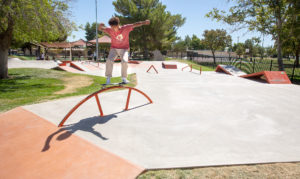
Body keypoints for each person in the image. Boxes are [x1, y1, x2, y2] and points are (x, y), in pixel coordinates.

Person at [98, 17, 150, 84]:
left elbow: (135, 24)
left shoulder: (125, 28)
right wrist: (100, 26)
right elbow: (100, 29)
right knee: (109, 61)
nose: (113, 29)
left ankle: (124, 78)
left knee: (125, 61)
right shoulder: (110, 29)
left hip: (124, 49)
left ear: (118, 25)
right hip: (114, 48)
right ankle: (108, 78)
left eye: (114, 27)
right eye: (112, 28)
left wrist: (144, 22)